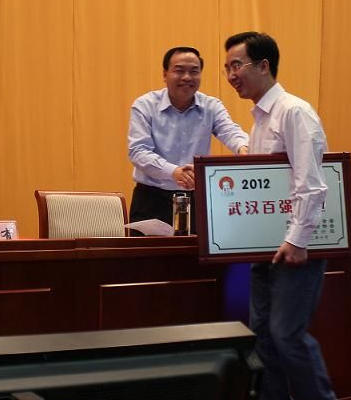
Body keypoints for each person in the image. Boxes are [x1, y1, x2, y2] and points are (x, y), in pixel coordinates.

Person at [224, 31, 336, 400]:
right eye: (227, 68)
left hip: (294, 248)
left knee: (287, 335)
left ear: (263, 65)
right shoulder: (258, 121)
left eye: (237, 65)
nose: (231, 75)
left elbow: (311, 183)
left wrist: (297, 240)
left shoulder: (293, 112)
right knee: (264, 339)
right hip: (264, 248)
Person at [127, 46, 249, 232]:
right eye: (179, 70)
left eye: (194, 71)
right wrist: (173, 172)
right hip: (152, 199)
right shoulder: (145, 105)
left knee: (199, 251)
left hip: (198, 199)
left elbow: (230, 131)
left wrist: (243, 148)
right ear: (165, 74)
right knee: (149, 252)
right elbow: (138, 151)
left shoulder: (211, 106)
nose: (187, 77)